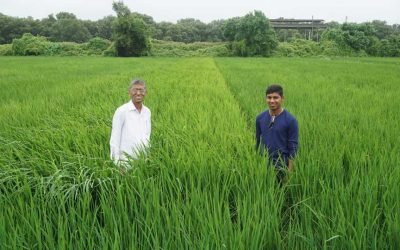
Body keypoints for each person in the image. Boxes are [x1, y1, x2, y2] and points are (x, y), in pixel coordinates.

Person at [255, 84, 298, 182]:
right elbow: (257, 142)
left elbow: (293, 148)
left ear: (282, 98)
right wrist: (257, 164)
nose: (272, 101)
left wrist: (289, 173)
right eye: (269, 97)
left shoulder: (290, 120)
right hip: (264, 166)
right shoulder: (260, 118)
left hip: (282, 167)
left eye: (275, 97)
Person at [110, 79, 151, 165]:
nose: (138, 93)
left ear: (145, 93)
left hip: (143, 161)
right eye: (135, 90)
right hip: (126, 163)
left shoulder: (147, 111)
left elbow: (147, 135)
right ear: (129, 93)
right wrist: (117, 163)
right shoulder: (122, 111)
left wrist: (147, 156)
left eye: (141, 90)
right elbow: (114, 139)